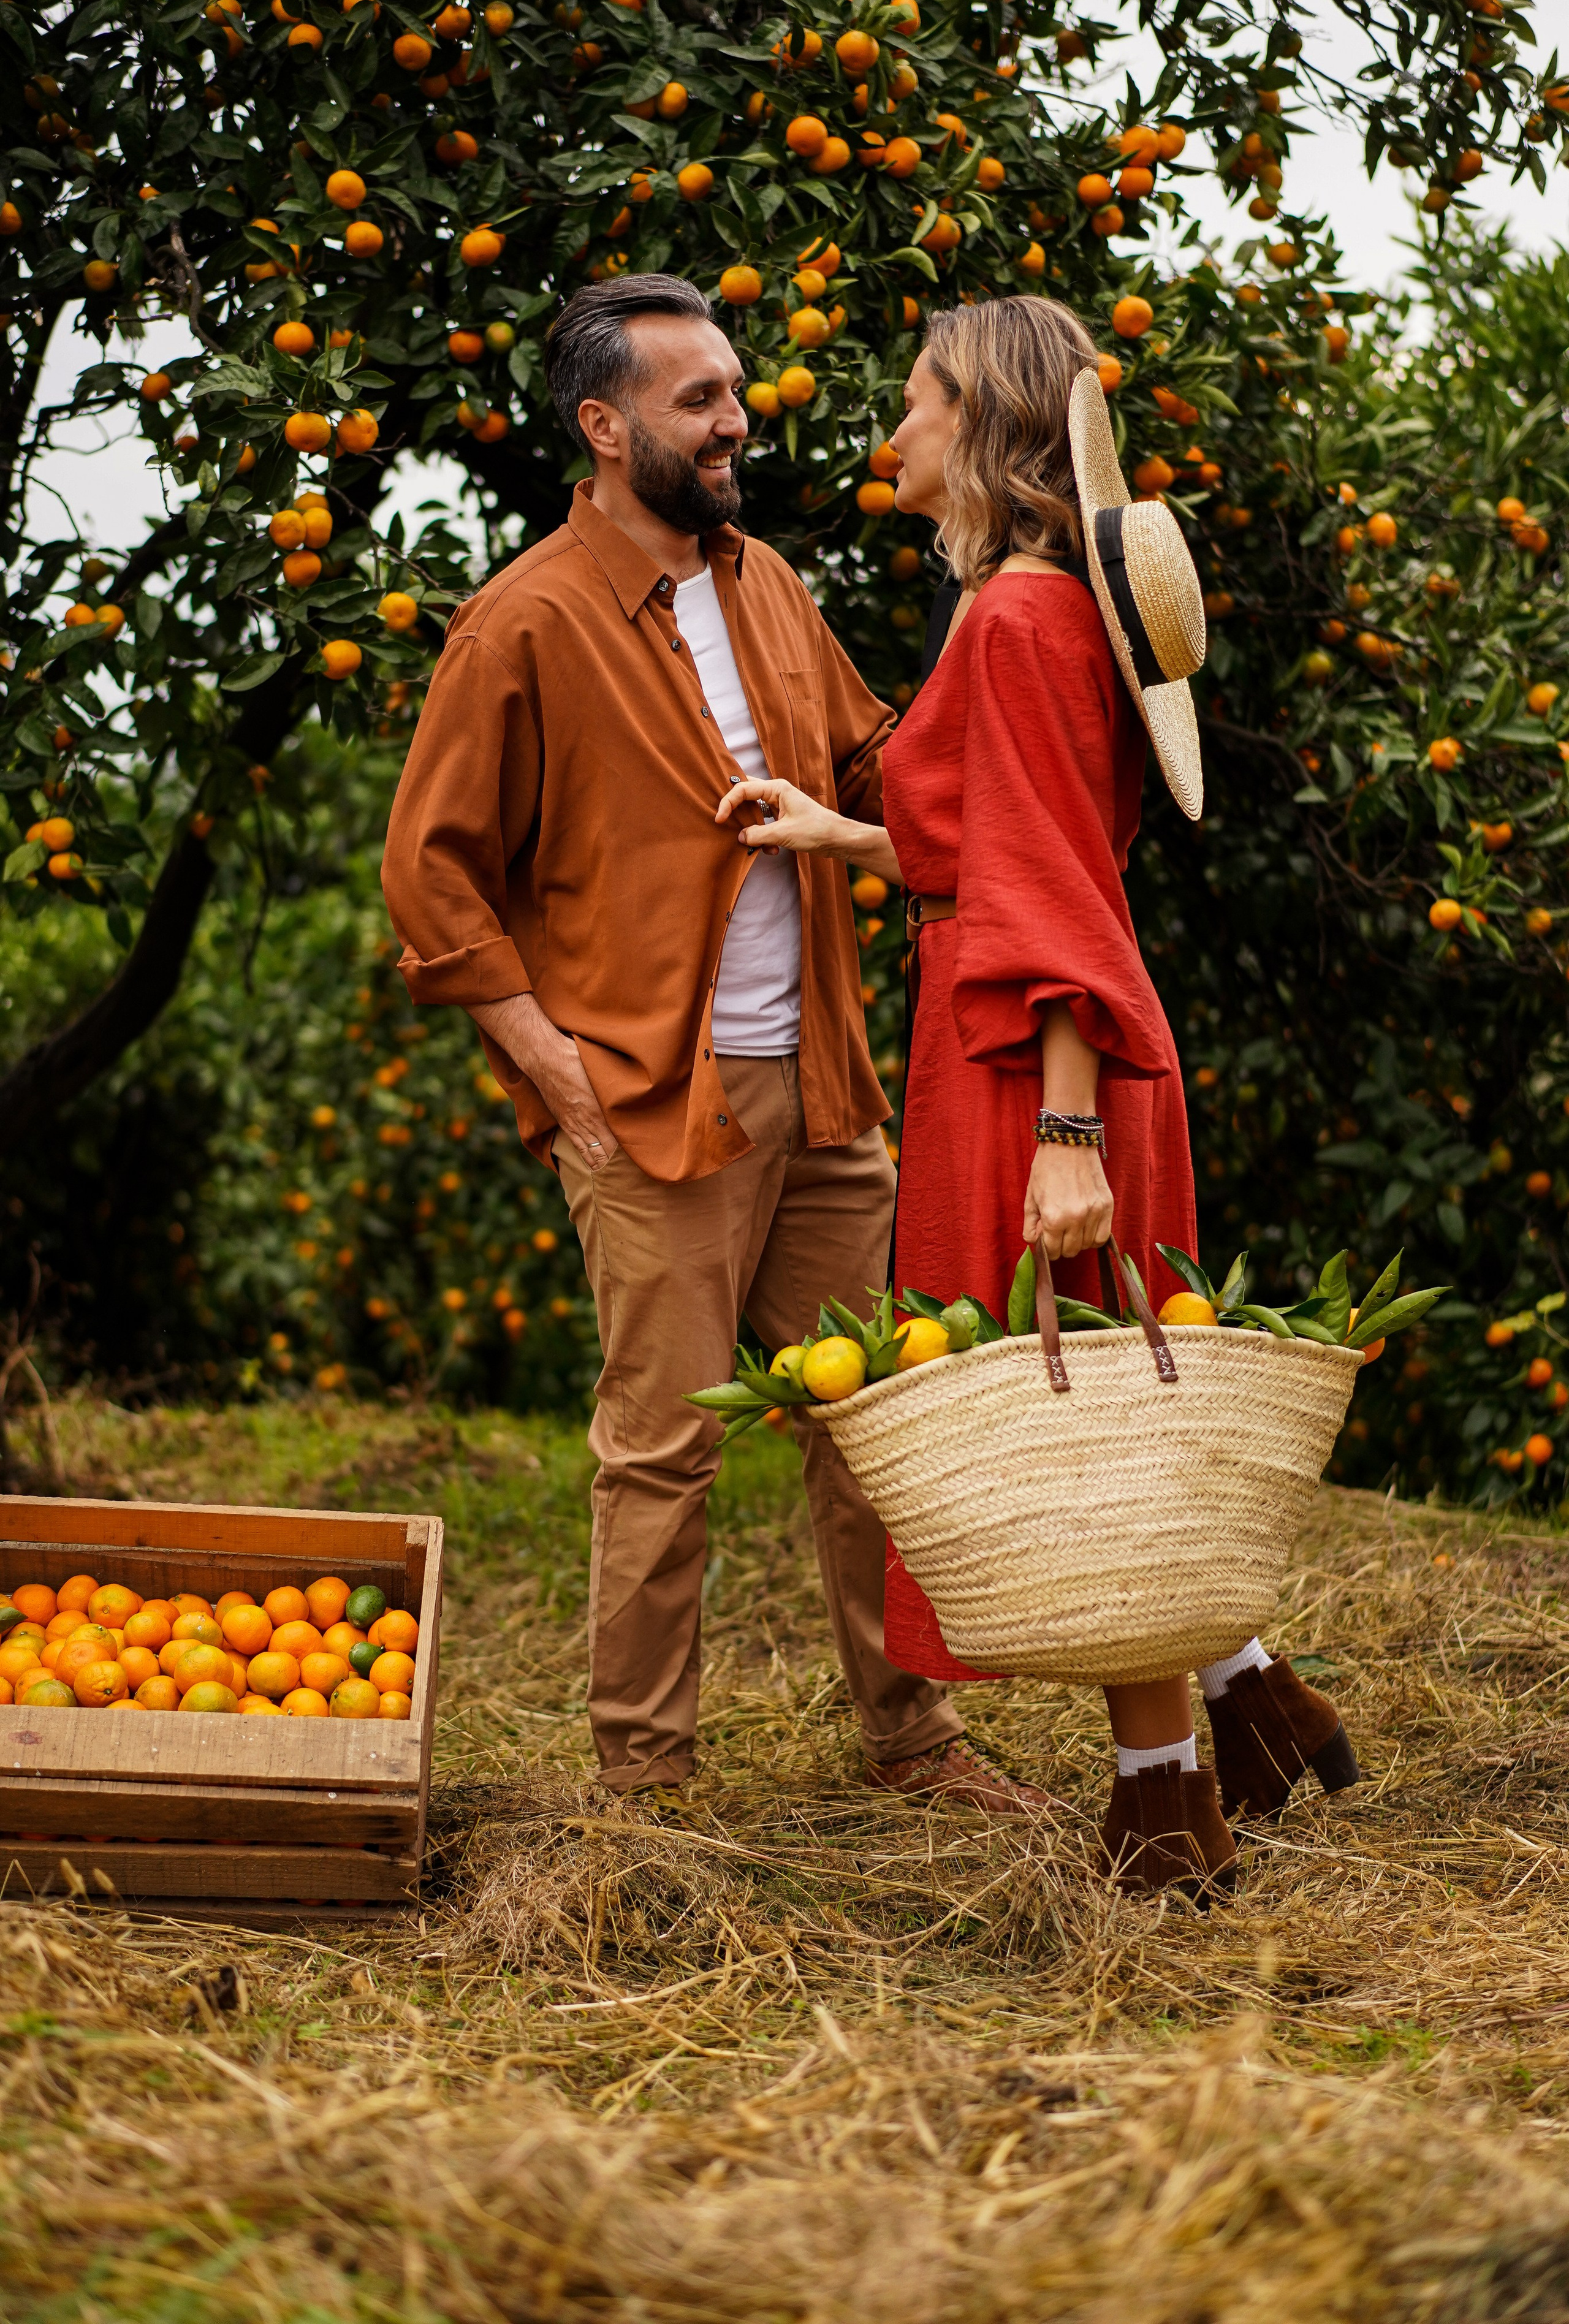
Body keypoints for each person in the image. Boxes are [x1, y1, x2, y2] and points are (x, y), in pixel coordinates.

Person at [715, 294, 1362, 1894]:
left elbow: (1049, 886)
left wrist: (1066, 1131)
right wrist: (832, 831)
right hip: (1039, 1034)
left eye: (920, 400)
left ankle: (1165, 1812)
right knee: (1112, 1416)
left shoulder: (1011, 623)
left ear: (989, 433)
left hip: (1034, 1061)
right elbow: (997, 844)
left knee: (1080, 1439)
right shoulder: (1046, 610)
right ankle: (1246, 1697)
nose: (897, 432)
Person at [381, 272, 1049, 1815]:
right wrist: (556, 1076)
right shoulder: (521, 625)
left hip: (821, 1086)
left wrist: (1027, 645)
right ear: (604, 428)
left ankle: (911, 1741)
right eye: (699, 401)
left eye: (735, 391)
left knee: (877, 1423)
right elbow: (431, 876)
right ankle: (647, 1789)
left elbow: (886, 765)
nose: (737, 421)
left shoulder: (768, 587)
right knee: (660, 1455)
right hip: (652, 1098)